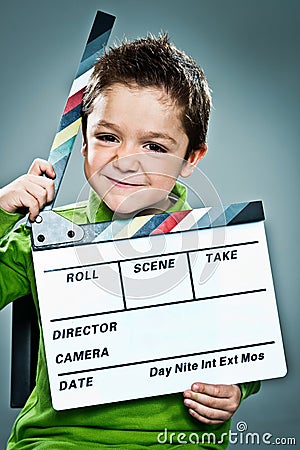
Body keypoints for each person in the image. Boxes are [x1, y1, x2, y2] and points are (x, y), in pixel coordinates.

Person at [0, 34, 260, 449]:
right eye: (107, 137)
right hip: (59, 441)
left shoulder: (221, 244)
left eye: (154, 146)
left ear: (191, 158)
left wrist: (236, 388)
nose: (125, 160)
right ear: (82, 140)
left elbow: (246, 348)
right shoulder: (40, 237)